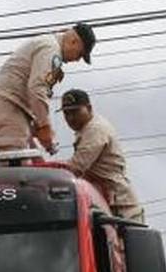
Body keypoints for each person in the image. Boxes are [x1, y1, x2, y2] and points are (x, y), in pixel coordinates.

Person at [0, 23, 96, 154]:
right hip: (8, 107)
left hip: (10, 108)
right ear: (74, 41)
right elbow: (37, 88)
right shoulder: (51, 50)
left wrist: (38, 125)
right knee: (16, 168)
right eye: (80, 54)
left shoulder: (48, 45)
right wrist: (44, 126)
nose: (77, 60)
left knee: (32, 163)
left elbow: (33, 91)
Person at [58, 89, 145, 222]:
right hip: (105, 203)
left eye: (75, 112)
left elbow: (75, 167)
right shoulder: (87, 129)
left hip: (121, 208)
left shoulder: (95, 129)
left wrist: (41, 173)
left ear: (89, 108)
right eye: (66, 113)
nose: (70, 118)